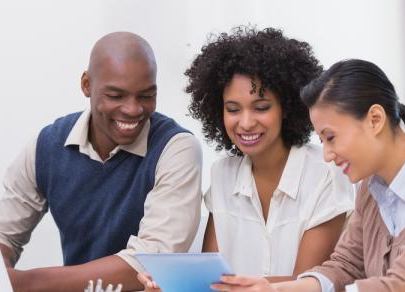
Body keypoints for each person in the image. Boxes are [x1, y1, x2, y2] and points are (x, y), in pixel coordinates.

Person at [211, 59, 405, 292]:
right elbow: (344, 266)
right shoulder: (371, 189)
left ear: (375, 120)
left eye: (331, 137)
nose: (327, 154)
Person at [139, 26, 355, 290]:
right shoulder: (222, 175)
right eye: (233, 109)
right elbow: (212, 276)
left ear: (286, 107)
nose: (246, 122)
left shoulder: (325, 172)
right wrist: (175, 283)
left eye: (261, 108)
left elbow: (310, 282)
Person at [0, 32, 203, 292]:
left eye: (146, 96)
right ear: (86, 84)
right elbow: (1, 236)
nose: (133, 109)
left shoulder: (176, 148)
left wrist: (28, 283)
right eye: (116, 96)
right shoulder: (47, 145)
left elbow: (153, 260)